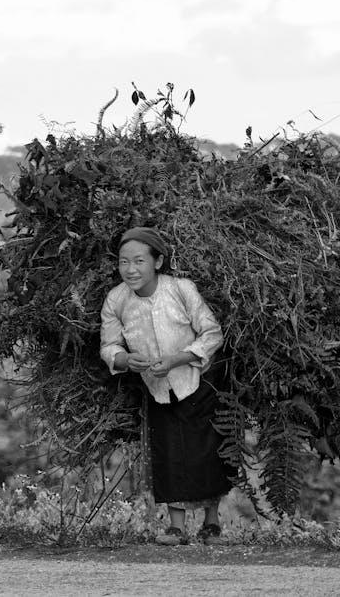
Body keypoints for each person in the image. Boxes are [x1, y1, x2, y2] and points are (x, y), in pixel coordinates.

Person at [99, 227, 234, 545]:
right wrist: (125, 360)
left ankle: (211, 523)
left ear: (158, 262)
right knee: (169, 451)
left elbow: (212, 333)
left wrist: (177, 359)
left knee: (205, 451)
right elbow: (108, 347)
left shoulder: (181, 289)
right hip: (156, 388)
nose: (131, 270)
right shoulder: (116, 300)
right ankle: (176, 527)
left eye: (139, 261)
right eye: (124, 262)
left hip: (197, 381)